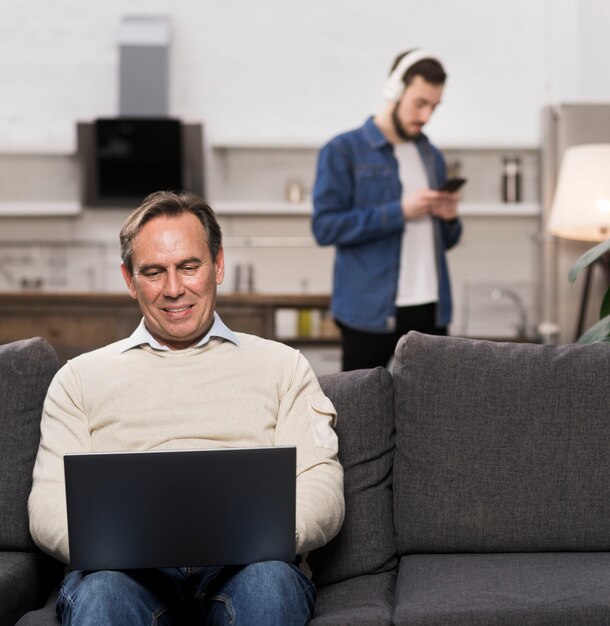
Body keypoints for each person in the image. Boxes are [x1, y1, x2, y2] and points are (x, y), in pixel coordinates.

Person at [28, 190, 345, 625]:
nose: (174, 289)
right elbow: (48, 502)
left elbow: (320, 483)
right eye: (154, 272)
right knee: (102, 593)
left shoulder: (282, 366)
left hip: (250, 564)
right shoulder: (78, 380)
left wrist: (258, 535)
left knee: (270, 586)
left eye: (189, 267)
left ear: (217, 265)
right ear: (129, 279)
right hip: (124, 571)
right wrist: (124, 543)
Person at [312, 48, 463, 371]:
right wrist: (400, 211)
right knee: (362, 410)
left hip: (430, 307)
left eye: (433, 107)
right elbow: (324, 227)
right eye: (419, 103)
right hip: (369, 310)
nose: (425, 117)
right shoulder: (343, 150)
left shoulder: (431, 155)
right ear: (394, 91)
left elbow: (446, 241)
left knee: (432, 413)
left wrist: (449, 220)